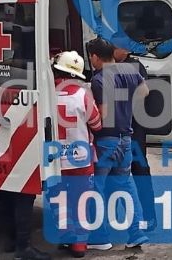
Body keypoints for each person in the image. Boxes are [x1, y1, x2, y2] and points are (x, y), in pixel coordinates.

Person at [85, 37, 150, 249]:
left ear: (95, 57)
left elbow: (102, 115)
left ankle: (100, 238)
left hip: (106, 141)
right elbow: (145, 92)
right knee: (125, 187)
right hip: (126, 140)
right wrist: (126, 106)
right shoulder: (129, 71)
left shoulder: (99, 79)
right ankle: (136, 233)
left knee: (97, 189)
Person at [51, 51, 102, 258]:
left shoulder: (47, 94)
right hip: (80, 158)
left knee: (58, 200)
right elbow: (96, 125)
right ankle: (80, 245)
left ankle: (65, 237)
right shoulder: (83, 95)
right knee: (81, 200)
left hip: (54, 160)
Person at [112, 39, 157, 231]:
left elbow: (142, 93)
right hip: (115, 130)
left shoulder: (135, 66)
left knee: (140, 171)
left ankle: (150, 217)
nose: (114, 50)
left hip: (134, 128)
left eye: (116, 47)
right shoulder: (109, 65)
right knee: (114, 174)